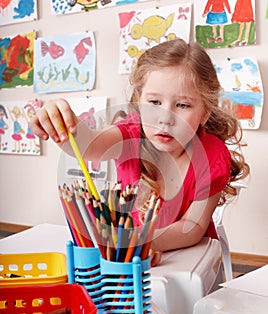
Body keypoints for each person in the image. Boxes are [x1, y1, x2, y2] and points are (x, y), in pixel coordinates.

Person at [30, 38, 249, 266]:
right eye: (154, 102)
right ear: (139, 102)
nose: (166, 118)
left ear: (204, 113)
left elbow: (192, 227)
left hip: (189, 261)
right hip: (129, 257)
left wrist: (142, 242)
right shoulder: (130, 135)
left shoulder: (212, 156)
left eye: (182, 105)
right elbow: (89, 146)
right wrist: (58, 118)